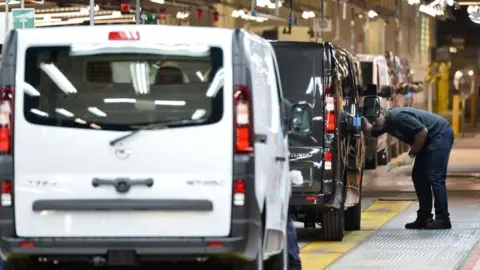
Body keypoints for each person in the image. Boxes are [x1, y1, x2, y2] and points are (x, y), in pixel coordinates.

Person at [361, 107, 454, 230]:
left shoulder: (397, 117)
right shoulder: (384, 123)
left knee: (436, 176)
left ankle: (443, 219)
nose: (374, 123)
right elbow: (370, 132)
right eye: (371, 121)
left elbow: (422, 132)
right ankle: (424, 218)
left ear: (382, 113)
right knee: (419, 176)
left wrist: (411, 154)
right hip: (428, 141)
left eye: (374, 120)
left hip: (440, 134)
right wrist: (361, 120)